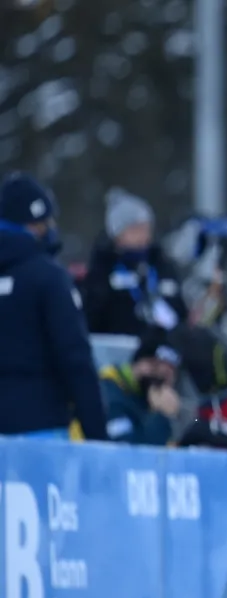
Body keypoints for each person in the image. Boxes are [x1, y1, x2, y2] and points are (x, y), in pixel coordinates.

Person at [0, 172, 107, 441]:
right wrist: (98, 436)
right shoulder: (48, 278)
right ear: (35, 224)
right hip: (41, 428)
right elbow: (75, 358)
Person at [82, 188, 187, 336]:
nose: (143, 237)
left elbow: (181, 312)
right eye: (135, 230)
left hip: (165, 352)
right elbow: (92, 319)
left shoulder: (162, 265)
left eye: (146, 229)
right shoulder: (103, 270)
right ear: (117, 235)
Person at [100, 329, 182, 446]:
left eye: (167, 375)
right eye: (154, 366)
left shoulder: (145, 400)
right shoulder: (109, 395)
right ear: (139, 362)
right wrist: (161, 417)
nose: (158, 379)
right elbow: (125, 454)